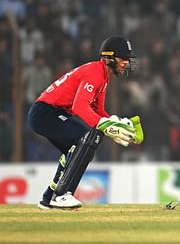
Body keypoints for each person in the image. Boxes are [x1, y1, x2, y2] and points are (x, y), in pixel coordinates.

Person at [28, 35, 144, 210]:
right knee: (85, 137)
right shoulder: (95, 73)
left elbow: (98, 112)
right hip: (45, 112)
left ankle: (48, 197)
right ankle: (61, 195)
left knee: (78, 149)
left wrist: (116, 124)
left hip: (50, 112)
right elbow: (80, 107)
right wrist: (106, 126)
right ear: (109, 57)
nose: (126, 63)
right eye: (123, 58)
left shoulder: (103, 77)